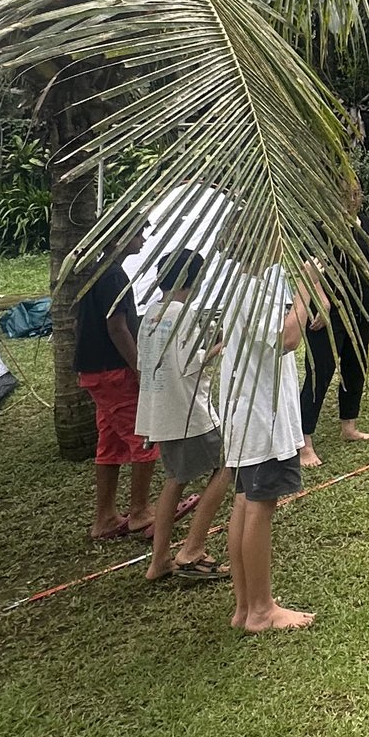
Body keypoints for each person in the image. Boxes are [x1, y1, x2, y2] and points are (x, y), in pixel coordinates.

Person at [218, 258, 315, 633]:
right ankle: (260, 609)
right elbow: (286, 338)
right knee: (258, 504)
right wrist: (307, 284)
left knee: (246, 501)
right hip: (260, 412)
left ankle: (246, 606)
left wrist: (307, 299)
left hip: (256, 407)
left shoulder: (262, 274)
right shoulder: (249, 284)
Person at [137, 247, 232, 584]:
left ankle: (159, 559)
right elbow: (195, 363)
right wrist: (223, 345)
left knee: (175, 480)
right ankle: (193, 547)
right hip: (189, 412)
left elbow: (144, 363)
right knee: (227, 466)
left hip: (159, 412)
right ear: (194, 278)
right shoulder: (184, 315)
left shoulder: (151, 314)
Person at [299, 204, 369, 462]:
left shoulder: (366, 223)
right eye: (345, 192)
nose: (352, 197)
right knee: (320, 370)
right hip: (328, 307)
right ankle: (304, 440)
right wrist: (322, 300)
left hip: (363, 304)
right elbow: (309, 267)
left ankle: (349, 426)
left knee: (356, 364)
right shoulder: (320, 225)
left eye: (355, 192)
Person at [77, 222, 156, 541]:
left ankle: (105, 517)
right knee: (145, 436)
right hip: (113, 372)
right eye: (139, 232)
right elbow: (117, 327)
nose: (143, 237)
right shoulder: (113, 276)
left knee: (110, 442)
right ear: (121, 237)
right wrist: (139, 368)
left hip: (94, 371)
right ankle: (139, 512)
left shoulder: (98, 272)